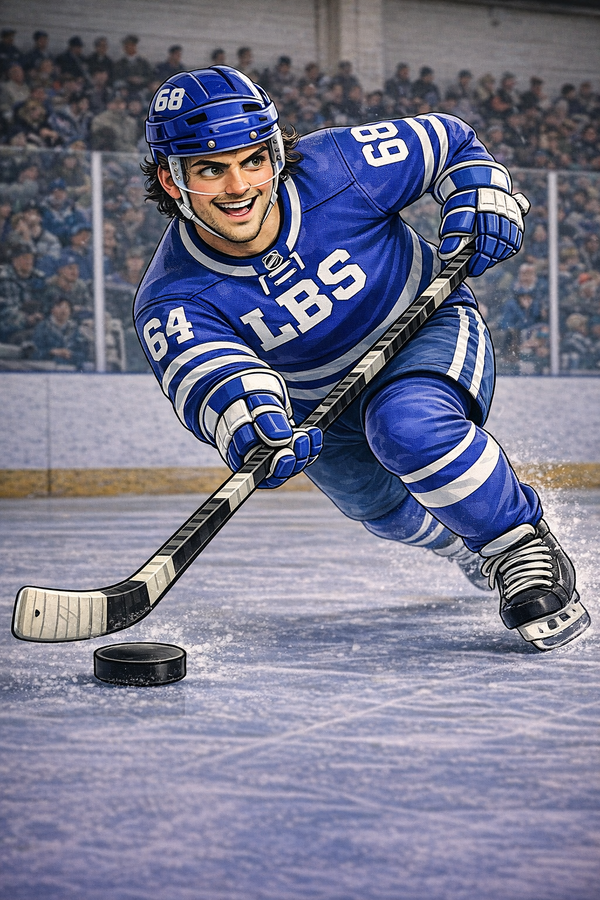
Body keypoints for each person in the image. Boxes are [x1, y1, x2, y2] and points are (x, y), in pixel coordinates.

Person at [135, 65, 590, 652]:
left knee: (407, 426)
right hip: (316, 407)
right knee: (378, 507)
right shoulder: (173, 298)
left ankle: (517, 546)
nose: (239, 186)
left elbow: (450, 142)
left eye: (254, 160)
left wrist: (478, 190)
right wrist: (248, 420)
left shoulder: (340, 165)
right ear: (172, 181)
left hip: (423, 330)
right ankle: (466, 544)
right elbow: (212, 376)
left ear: (277, 154)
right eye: (210, 169)